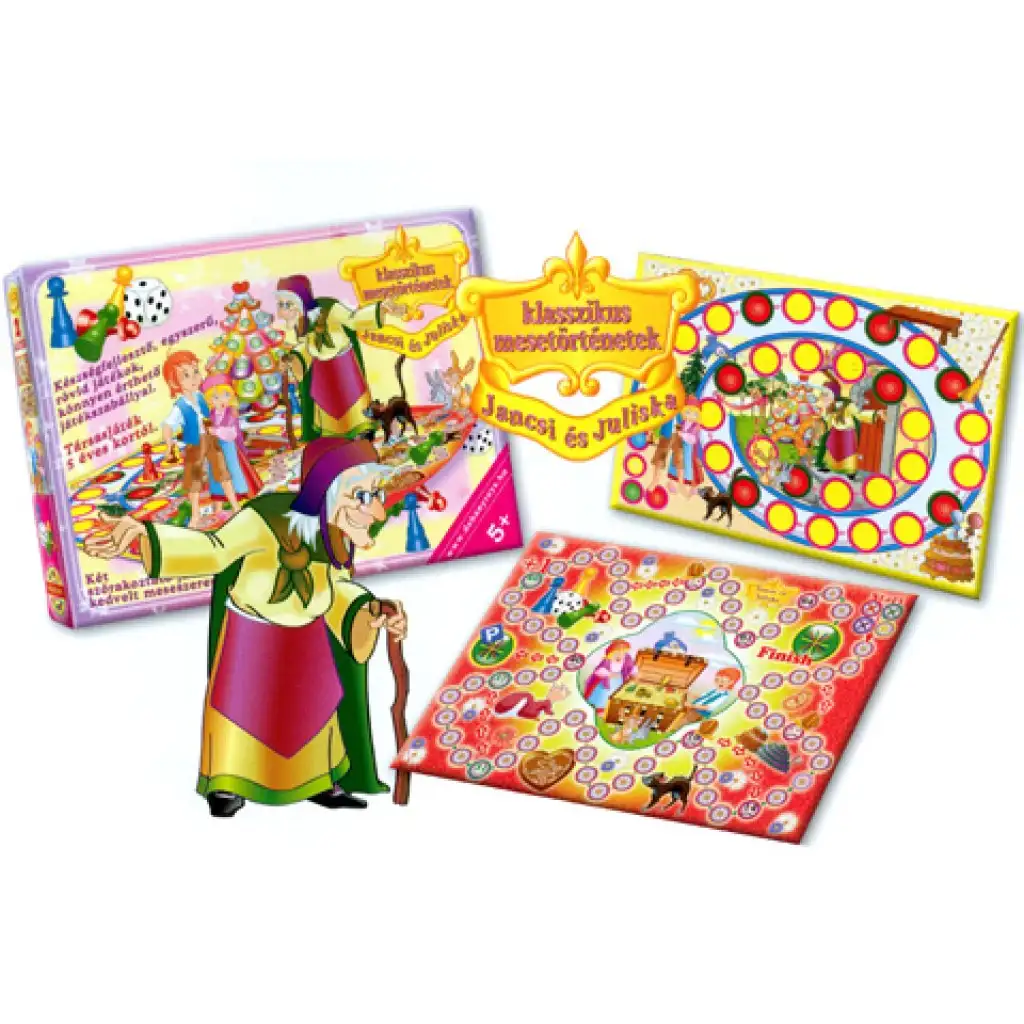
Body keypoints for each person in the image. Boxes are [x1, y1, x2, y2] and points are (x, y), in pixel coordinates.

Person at [84, 438, 408, 818]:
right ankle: (229, 782)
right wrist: (143, 535)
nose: (375, 509)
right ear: (326, 491)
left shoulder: (336, 537)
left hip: (307, 646)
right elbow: (214, 551)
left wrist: (371, 610)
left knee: (314, 715)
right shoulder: (264, 519)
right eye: (362, 496)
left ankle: (317, 780)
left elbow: (335, 591)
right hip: (253, 641)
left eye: (375, 494)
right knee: (242, 715)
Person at [275, 274, 406, 442]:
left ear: (300, 301)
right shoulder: (301, 322)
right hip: (322, 374)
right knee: (328, 412)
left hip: (344, 367)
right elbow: (306, 348)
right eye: (280, 305)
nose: (282, 311)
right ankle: (333, 440)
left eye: (287, 304)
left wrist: (381, 308)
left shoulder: (330, 308)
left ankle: (363, 434)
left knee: (353, 403)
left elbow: (354, 320)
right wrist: (292, 359)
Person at [161, 351, 241, 527]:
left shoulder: (202, 396)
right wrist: (169, 444)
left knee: (223, 472)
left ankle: (236, 506)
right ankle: (196, 515)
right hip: (195, 444)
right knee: (194, 480)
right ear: (174, 383)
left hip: (212, 439)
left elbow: (217, 399)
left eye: (195, 371)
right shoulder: (180, 406)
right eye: (186, 375)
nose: (194, 378)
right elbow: (167, 425)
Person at [201, 374, 262, 500]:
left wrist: (216, 431)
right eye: (216, 397)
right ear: (209, 400)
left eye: (226, 395)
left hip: (231, 447)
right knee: (219, 469)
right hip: (219, 447)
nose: (222, 400)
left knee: (234, 468)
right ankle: (223, 493)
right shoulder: (213, 413)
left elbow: (231, 433)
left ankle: (240, 491)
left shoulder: (231, 412)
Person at [817, 377, 885, 478]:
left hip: (846, 434)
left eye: (826, 394)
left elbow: (859, 414)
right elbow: (829, 419)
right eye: (823, 394)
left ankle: (850, 471)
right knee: (832, 450)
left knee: (847, 452)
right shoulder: (830, 407)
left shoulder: (847, 404)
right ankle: (829, 466)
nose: (823, 397)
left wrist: (877, 413)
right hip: (835, 433)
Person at [583, 639, 636, 713]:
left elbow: (630, 667)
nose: (621, 654)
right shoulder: (607, 660)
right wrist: (608, 674)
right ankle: (600, 708)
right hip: (607, 681)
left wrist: (633, 672)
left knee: (616, 693)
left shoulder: (627, 658)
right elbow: (600, 670)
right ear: (613, 652)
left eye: (623, 652)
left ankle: (612, 707)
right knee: (603, 694)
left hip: (618, 680)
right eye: (618, 652)